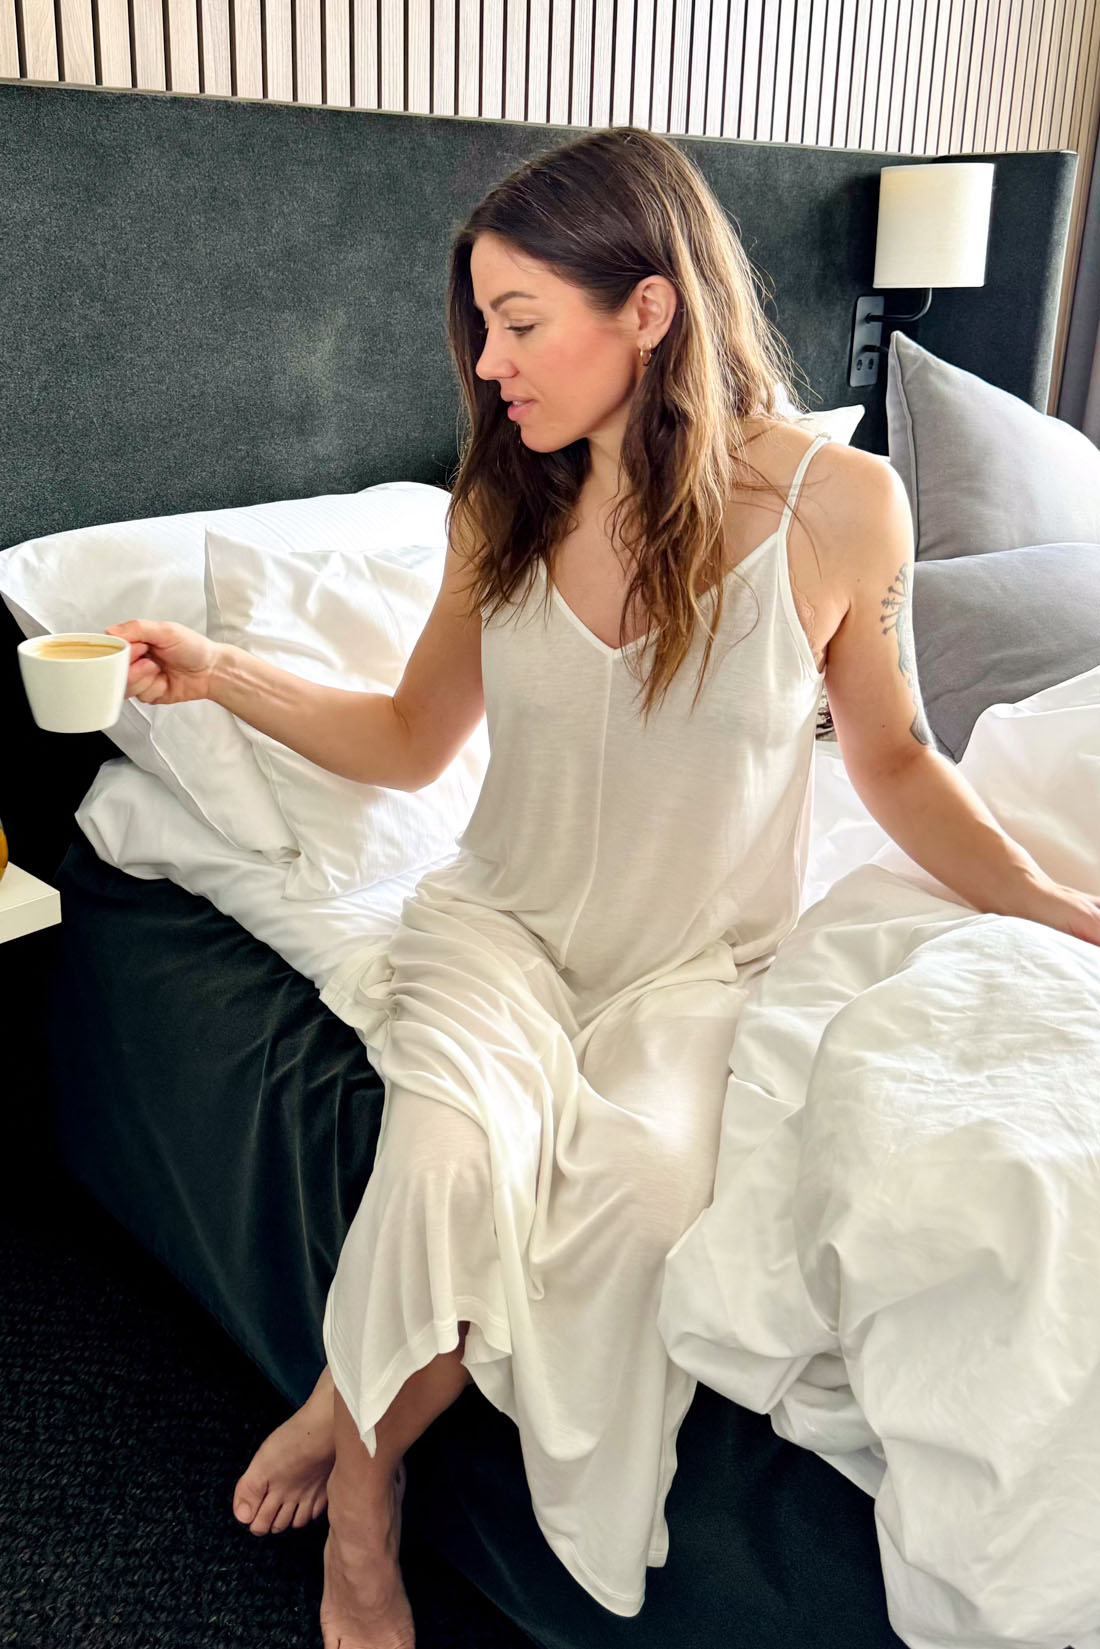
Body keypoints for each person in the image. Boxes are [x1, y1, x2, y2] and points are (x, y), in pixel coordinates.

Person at [106, 126, 1100, 1649]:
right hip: (497, 932)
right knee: (444, 1165)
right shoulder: (503, 508)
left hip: (700, 969)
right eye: (483, 329)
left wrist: (1053, 902)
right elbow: (404, 739)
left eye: (520, 322)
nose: (491, 368)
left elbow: (895, 763)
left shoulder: (842, 510)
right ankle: (361, 1533)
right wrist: (221, 667)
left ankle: (338, 1392)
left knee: (631, 1203)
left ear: (648, 307)